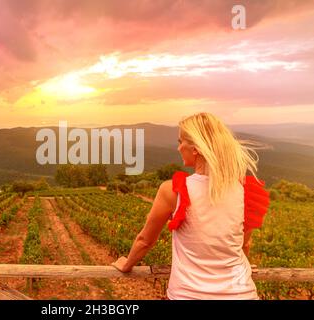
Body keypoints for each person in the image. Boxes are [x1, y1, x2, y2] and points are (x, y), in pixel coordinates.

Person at [111, 112, 269, 300]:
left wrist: (127, 264)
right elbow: (244, 244)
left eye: (180, 142)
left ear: (194, 148)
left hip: (189, 295)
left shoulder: (173, 191)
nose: (178, 148)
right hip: (242, 294)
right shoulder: (246, 191)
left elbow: (145, 240)